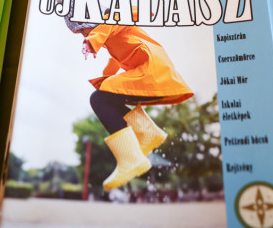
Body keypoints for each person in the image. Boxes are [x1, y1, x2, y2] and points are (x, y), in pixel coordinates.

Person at [66, 10, 193, 192]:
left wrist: (93, 40)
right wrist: (105, 79)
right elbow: (115, 60)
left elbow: (123, 14)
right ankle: (145, 132)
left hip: (151, 72)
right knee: (105, 98)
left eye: (82, 30)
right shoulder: (111, 35)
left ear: (89, 20)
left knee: (99, 99)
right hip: (151, 73)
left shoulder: (113, 19)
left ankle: (131, 158)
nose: (83, 36)